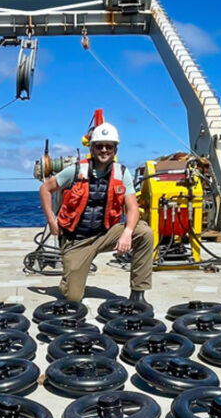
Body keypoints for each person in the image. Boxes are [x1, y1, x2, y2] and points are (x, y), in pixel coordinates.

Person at [39, 121, 154, 306]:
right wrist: (52, 221)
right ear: (92, 148)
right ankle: (69, 280)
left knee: (144, 232)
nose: (104, 150)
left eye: (109, 146)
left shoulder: (122, 173)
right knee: (73, 297)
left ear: (115, 150)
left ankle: (138, 293)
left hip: (105, 234)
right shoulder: (75, 170)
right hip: (77, 240)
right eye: (99, 146)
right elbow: (45, 188)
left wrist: (127, 232)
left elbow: (132, 208)